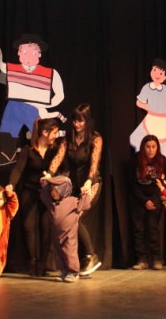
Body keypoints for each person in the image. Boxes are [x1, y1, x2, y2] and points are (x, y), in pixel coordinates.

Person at [47, 103, 103, 276]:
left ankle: (90, 256)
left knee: (74, 218)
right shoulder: (68, 139)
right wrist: (49, 174)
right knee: (67, 220)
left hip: (91, 184)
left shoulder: (95, 139)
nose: (77, 124)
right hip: (74, 185)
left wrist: (89, 181)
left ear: (87, 121)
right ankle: (79, 259)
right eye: (75, 120)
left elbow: (94, 164)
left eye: (81, 121)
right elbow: (58, 158)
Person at [0, 34, 65, 164]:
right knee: (7, 134)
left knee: (41, 135)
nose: (28, 57)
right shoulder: (11, 69)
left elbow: (60, 95)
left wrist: (45, 104)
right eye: (24, 53)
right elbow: (1, 66)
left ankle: (43, 161)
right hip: (14, 106)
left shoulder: (50, 73)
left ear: (39, 54)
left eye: (33, 53)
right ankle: (8, 158)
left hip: (35, 108)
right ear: (19, 53)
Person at [8, 117, 61, 276]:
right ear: (44, 132)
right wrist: (11, 185)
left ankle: (43, 263)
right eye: (54, 132)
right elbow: (18, 169)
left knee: (46, 227)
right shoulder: (28, 150)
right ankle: (33, 261)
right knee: (28, 227)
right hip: (29, 191)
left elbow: (61, 168)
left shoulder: (54, 150)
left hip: (48, 193)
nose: (56, 136)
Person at [129, 134, 166, 270]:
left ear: (157, 148)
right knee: (139, 230)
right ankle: (142, 260)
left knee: (153, 229)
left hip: (155, 197)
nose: (150, 150)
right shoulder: (135, 160)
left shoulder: (161, 160)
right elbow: (131, 184)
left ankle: (156, 259)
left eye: (153, 147)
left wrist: (165, 193)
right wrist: (144, 201)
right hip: (138, 198)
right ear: (143, 147)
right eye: (148, 147)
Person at [41, 175, 93, 283]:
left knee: (69, 252)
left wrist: (85, 194)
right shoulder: (52, 204)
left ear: (63, 190)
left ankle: (73, 272)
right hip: (56, 234)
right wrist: (45, 185)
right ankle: (64, 271)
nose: (52, 193)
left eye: (55, 190)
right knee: (59, 253)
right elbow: (44, 196)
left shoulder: (72, 201)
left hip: (69, 234)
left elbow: (85, 205)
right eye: (51, 190)